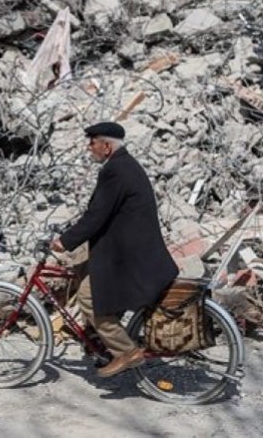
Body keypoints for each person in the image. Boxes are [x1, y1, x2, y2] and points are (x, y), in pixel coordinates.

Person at [51, 121, 178, 378]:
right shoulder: (125, 165)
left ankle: (125, 351)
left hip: (127, 257)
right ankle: (102, 341)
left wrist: (64, 241)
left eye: (93, 142)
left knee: (89, 299)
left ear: (106, 146)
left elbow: (96, 216)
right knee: (85, 273)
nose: (89, 148)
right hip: (129, 249)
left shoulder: (115, 171)